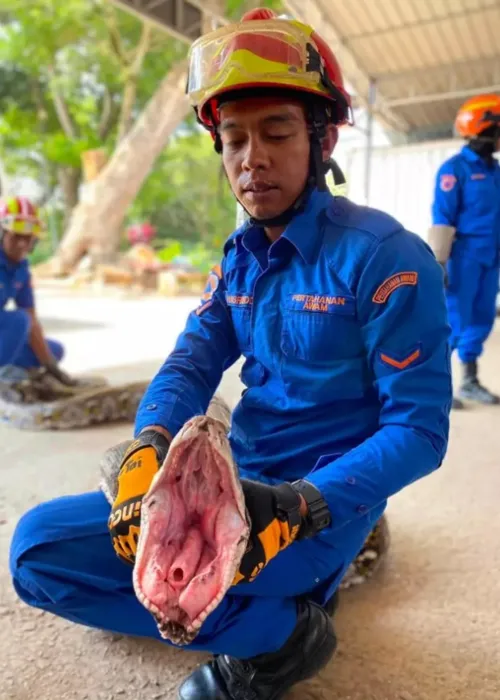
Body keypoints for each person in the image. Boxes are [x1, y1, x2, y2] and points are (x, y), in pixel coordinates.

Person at [10, 9, 453, 700]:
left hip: (315, 504)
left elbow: (420, 432)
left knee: (153, 567)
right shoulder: (238, 258)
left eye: (276, 131)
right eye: (232, 139)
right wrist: (148, 447)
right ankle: (276, 622)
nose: (252, 158)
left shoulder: (389, 259)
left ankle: (274, 641)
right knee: (35, 552)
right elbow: (191, 363)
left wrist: (303, 505)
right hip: (224, 482)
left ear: (321, 135)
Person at [429, 94, 500, 409]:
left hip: (492, 256)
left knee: (482, 319)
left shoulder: (496, 170)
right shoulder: (454, 168)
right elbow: (442, 215)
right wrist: (439, 261)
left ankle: (469, 382)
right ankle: (434, 386)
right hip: (464, 257)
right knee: (455, 319)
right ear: (487, 128)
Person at [0, 195, 75, 384]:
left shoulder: (21, 268)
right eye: (16, 236)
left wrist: (52, 367)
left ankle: (12, 372)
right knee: (18, 320)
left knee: (54, 350)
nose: (22, 244)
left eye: (28, 238)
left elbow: (32, 320)